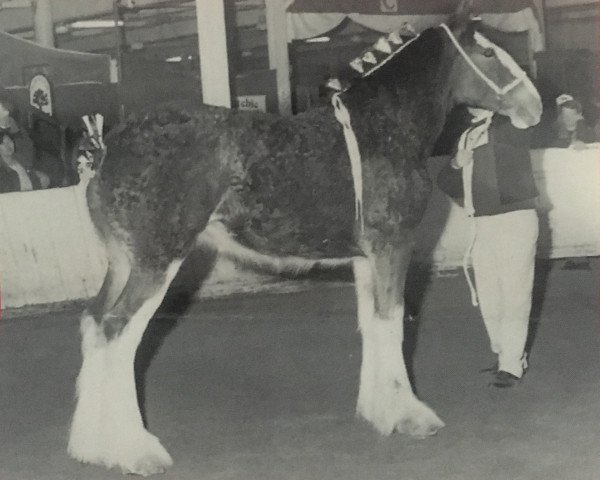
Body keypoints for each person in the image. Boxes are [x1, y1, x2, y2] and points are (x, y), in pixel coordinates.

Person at [437, 108, 539, 388]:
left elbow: (530, 113)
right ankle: (504, 353)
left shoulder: (511, 123)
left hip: (514, 218)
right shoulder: (467, 135)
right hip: (481, 223)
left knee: (514, 293)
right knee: (490, 296)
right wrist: (457, 164)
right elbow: (445, 182)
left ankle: (512, 363)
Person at [0, 95, 35, 168]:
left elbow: (29, 151)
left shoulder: (18, 129)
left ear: (6, 112)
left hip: (23, 168)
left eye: (2, 107)